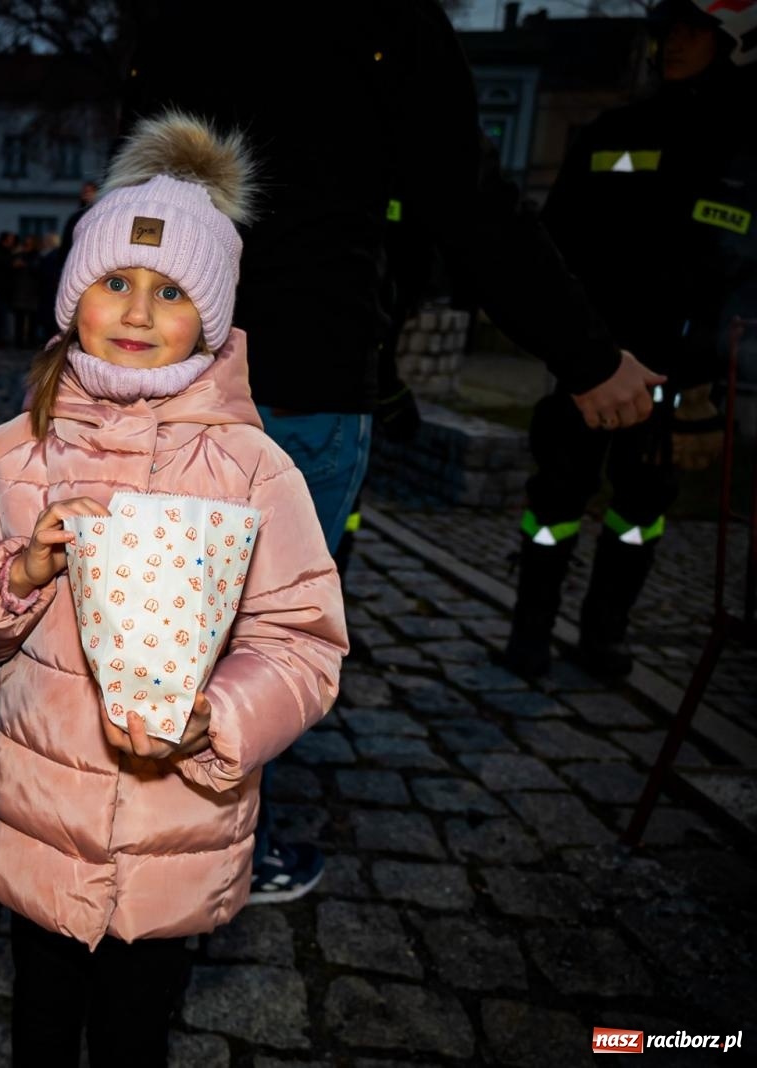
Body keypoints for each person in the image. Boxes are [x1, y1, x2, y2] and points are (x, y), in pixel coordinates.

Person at [125, 0, 662, 904]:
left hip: (171, 357)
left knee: (160, 618)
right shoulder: (386, 13)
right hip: (302, 373)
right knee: (258, 635)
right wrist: (587, 355)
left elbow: (138, 175)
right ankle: (212, 849)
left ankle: (136, 831)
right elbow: (467, 196)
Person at [0, 113, 345, 1067]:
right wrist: (15, 573)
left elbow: (302, 641)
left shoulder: (255, 468)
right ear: (72, 294)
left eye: (169, 291)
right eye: (114, 280)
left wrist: (222, 719)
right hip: (38, 818)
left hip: (178, 827)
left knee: (134, 1038)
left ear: (210, 317)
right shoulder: (11, 451)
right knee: (39, 1027)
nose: (135, 309)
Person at [503, 0, 757, 679]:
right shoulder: (615, 130)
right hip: (591, 362)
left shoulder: (744, 148)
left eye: (693, 30)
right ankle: (529, 631)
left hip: (679, 378)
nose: (674, 43)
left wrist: (714, 378)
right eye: (667, 30)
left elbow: (744, 277)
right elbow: (554, 242)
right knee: (554, 501)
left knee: (641, 511)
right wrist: (568, 344)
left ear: (731, 41)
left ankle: (604, 634)